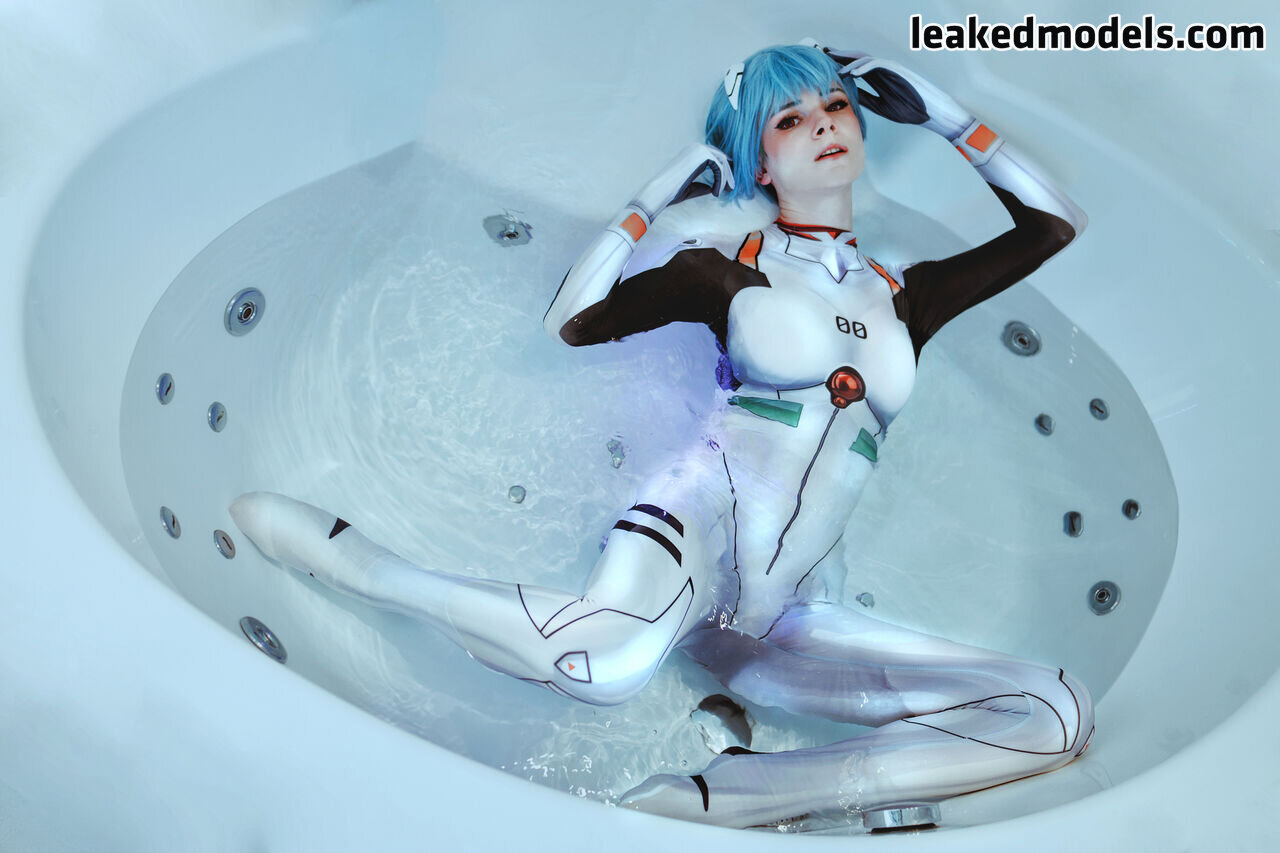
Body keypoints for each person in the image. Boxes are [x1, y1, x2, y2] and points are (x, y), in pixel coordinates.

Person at [230, 42, 1093, 829]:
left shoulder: (909, 296)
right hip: (693, 539)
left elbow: (1055, 224)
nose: (825, 124)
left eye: (837, 106)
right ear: (760, 160)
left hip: (791, 616)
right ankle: (373, 571)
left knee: (1057, 711)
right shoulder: (726, 271)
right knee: (602, 667)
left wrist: (945, 115)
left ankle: (754, 793)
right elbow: (573, 320)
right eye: (791, 118)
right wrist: (654, 198)